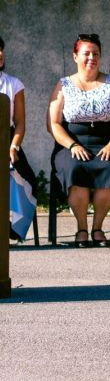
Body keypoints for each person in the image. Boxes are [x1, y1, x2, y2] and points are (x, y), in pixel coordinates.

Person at [48, 33, 110, 247]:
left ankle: (97, 227)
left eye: (96, 54)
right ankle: (82, 228)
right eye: (86, 53)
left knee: (109, 167)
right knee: (75, 168)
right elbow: (53, 123)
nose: (91, 58)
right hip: (72, 143)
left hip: (108, 142)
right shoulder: (63, 85)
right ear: (75, 56)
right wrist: (72, 145)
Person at [1, 36, 38, 243]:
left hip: (7, 140)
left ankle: (12, 228)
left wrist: (14, 146)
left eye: (1, 49)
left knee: (28, 180)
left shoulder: (14, 84)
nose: (0, 54)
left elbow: (20, 123)